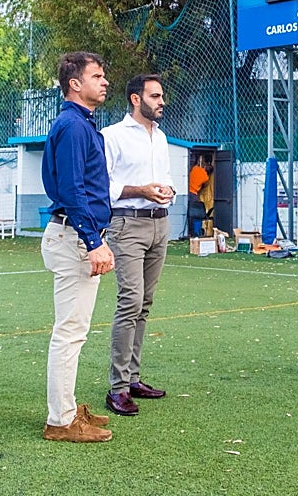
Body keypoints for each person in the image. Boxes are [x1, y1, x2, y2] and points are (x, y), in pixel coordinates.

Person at [40, 51, 115, 443]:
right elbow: (71, 190)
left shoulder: (81, 124)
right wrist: (93, 242)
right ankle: (61, 420)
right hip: (73, 237)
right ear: (74, 83)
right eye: (97, 76)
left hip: (76, 235)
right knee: (69, 332)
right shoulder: (72, 125)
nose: (104, 82)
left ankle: (67, 407)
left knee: (74, 330)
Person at [101, 74, 176, 416]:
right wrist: (141, 190)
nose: (162, 102)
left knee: (144, 304)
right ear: (136, 99)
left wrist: (167, 191)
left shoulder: (160, 138)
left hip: (160, 224)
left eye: (161, 97)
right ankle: (117, 388)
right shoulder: (111, 136)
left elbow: (167, 177)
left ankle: (132, 378)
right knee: (130, 301)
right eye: (155, 96)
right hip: (127, 224)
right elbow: (106, 184)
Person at [186, 154, 211, 237]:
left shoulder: (196, 168)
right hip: (194, 193)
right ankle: (194, 232)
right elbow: (203, 186)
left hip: (187, 191)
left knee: (189, 212)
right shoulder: (206, 178)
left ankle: (190, 231)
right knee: (194, 214)